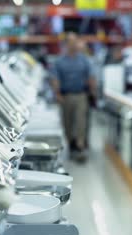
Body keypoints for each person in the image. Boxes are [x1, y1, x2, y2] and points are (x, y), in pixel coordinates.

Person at [51, 32, 96, 161]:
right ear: (66, 44)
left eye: (75, 41)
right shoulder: (59, 61)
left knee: (81, 121)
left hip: (81, 95)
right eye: (71, 42)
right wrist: (57, 94)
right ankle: (71, 144)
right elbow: (55, 78)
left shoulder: (84, 60)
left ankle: (80, 146)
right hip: (66, 96)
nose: (74, 44)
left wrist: (93, 92)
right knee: (68, 123)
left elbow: (91, 76)